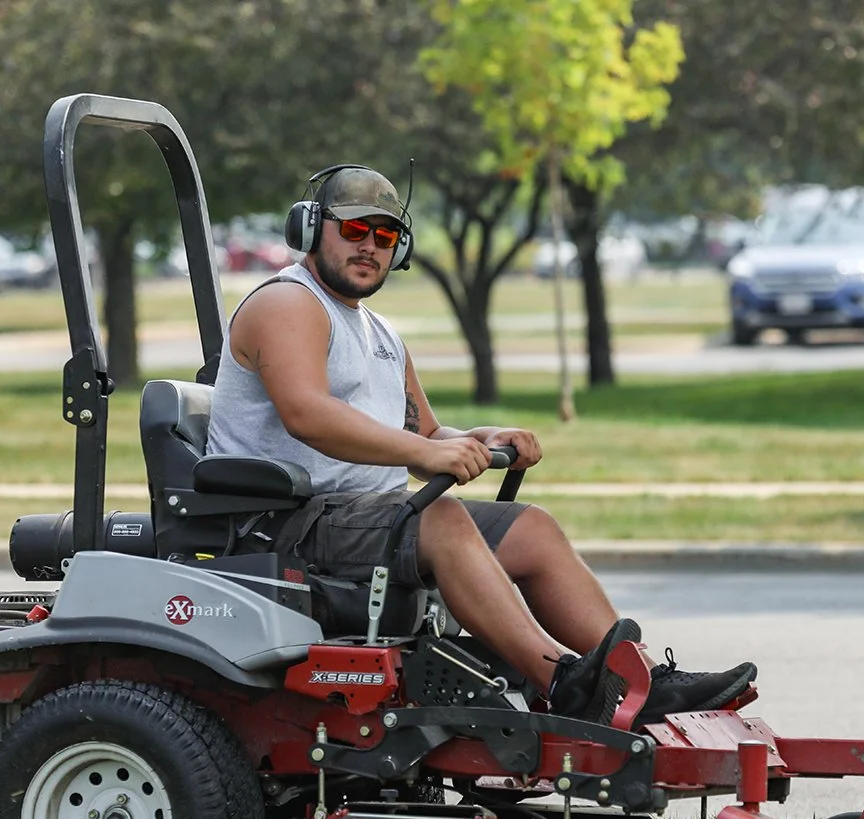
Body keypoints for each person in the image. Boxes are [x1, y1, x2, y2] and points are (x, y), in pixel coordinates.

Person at [206, 165, 756, 726]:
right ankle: (563, 681)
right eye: (353, 231)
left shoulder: (379, 333)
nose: (370, 246)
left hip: (368, 519)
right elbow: (308, 415)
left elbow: (423, 434)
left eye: (386, 235)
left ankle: (638, 678)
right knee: (442, 520)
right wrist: (423, 455)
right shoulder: (287, 304)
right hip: (290, 525)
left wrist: (479, 439)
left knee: (531, 528)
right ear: (310, 229)